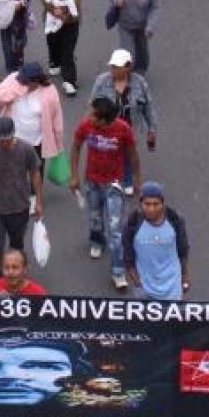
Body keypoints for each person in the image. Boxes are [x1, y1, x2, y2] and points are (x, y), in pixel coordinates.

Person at [70, 97, 140, 291]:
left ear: (103, 120)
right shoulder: (86, 126)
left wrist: (136, 180)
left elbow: (133, 155)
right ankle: (96, 240)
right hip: (92, 182)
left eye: (92, 114)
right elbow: (76, 148)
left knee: (116, 229)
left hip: (114, 184)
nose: (87, 117)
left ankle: (118, 272)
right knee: (94, 216)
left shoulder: (123, 129)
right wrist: (74, 176)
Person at [0, 117, 43, 279]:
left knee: (17, 247)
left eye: (7, 140)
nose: (3, 143)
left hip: (20, 208)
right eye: (0, 140)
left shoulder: (26, 149)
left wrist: (39, 202)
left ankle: (18, 278)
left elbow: (35, 173)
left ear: (13, 135)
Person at [90, 50, 157, 193]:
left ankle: (127, 180)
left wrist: (152, 129)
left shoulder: (139, 83)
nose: (113, 70)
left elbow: (148, 107)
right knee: (108, 153)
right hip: (107, 127)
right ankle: (110, 179)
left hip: (129, 127)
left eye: (117, 67)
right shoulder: (102, 81)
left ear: (127, 67)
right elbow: (92, 104)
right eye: (112, 66)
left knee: (127, 154)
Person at [123, 181, 189, 301]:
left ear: (163, 204)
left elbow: (183, 252)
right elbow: (128, 257)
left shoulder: (175, 220)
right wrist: (137, 283)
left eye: (156, 204)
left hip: (172, 290)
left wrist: (184, 279)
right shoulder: (132, 224)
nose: (151, 209)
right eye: (147, 204)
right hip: (144, 292)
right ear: (140, 203)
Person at [106, 0, 160, 78]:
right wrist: (116, 1)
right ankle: (127, 76)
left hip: (142, 26)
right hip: (125, 25)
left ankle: (140, 74)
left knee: (142, 53)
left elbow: (155, 7)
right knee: (128, 53)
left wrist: (150, 26)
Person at [40, 0, 83, 96]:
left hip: (70, 21)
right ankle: (54, 62)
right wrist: (53, 10)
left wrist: (64, 13)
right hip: (52, 19)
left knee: (68, 51)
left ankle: (69, 81)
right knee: (53, 43)